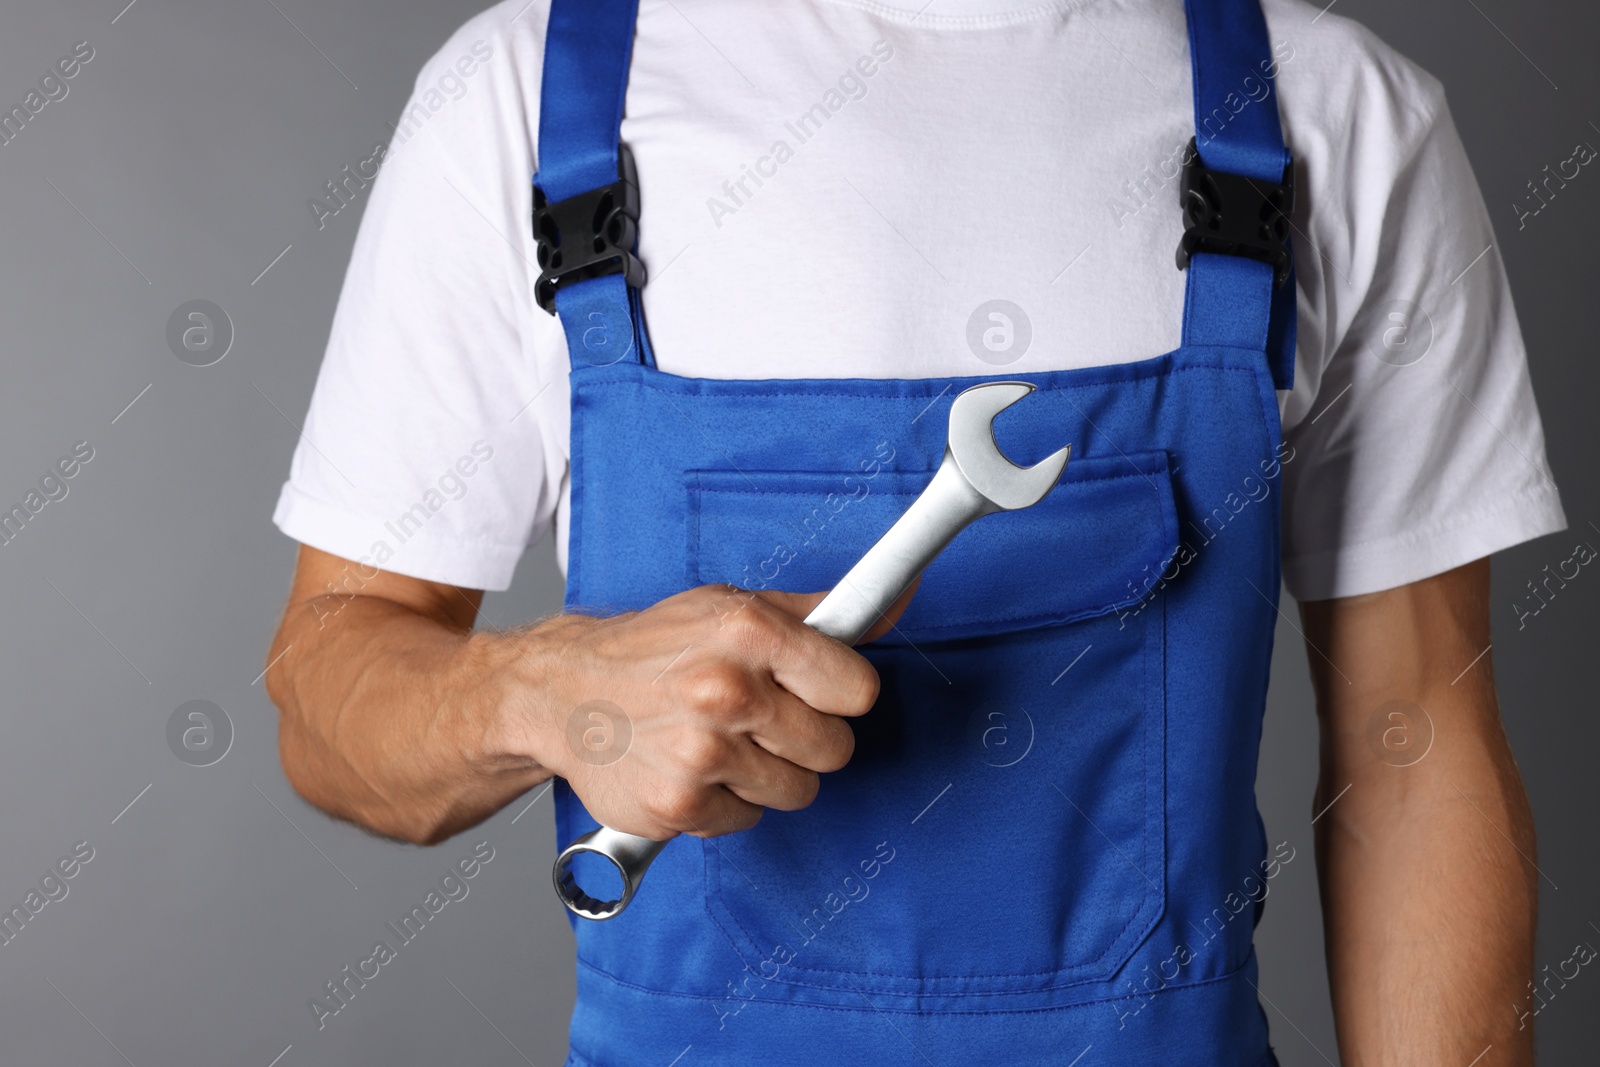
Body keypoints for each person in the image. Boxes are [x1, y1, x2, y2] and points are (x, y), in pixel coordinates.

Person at [265, 0, 1565, 1062]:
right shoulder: (526, 99)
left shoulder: (1328, 113)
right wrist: (537, 691)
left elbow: (1415, 738)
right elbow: (329, 703)